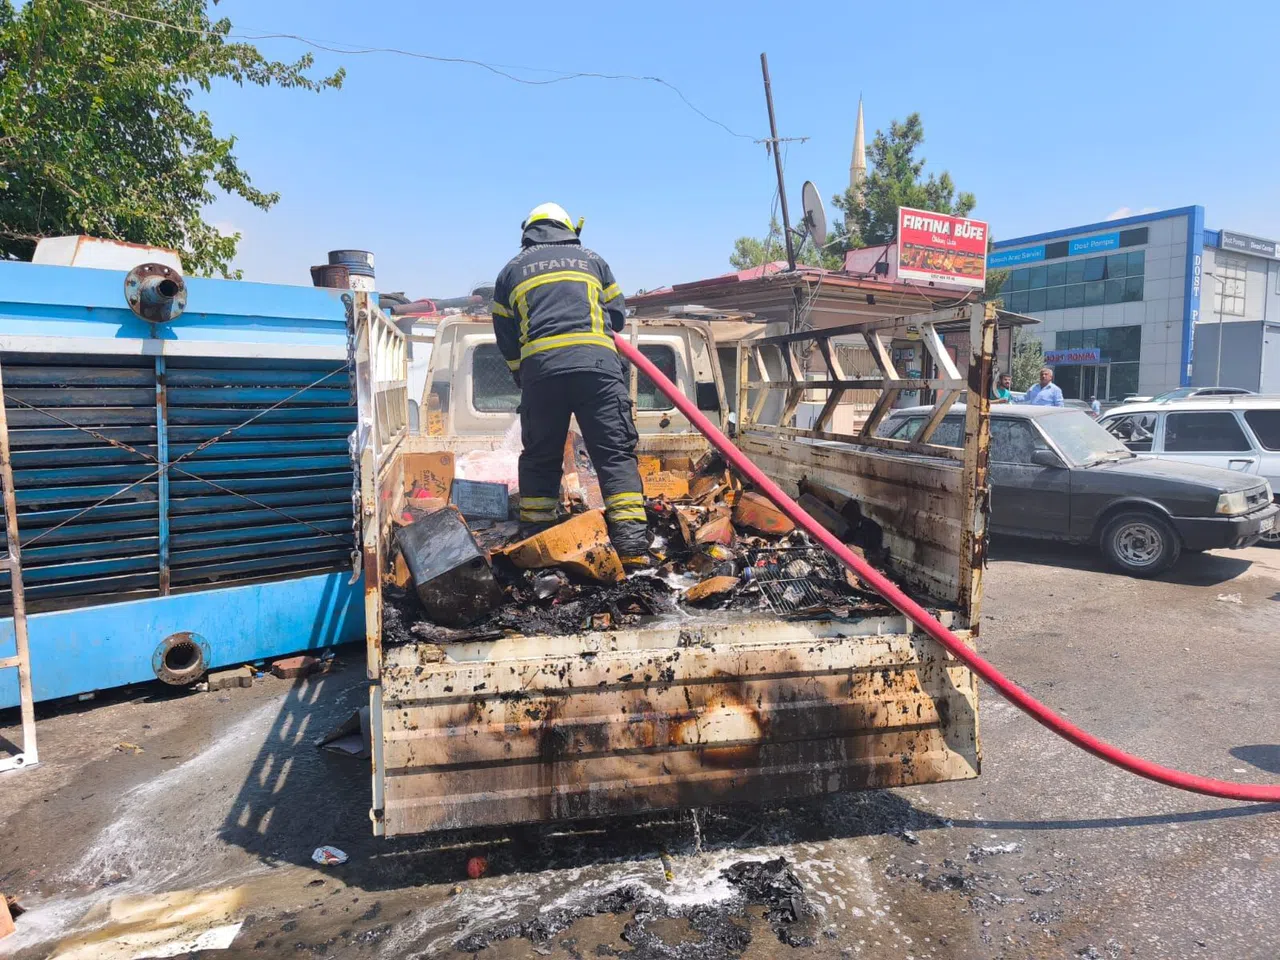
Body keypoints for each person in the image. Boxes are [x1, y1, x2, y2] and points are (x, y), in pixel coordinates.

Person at [492, 203, 650, 567]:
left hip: (542, 375)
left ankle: (537, 546)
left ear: (528, 231)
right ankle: (632, 549)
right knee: (613, 455)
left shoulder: (511, 270)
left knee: (541, 458)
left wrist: (523, 372)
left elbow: (505, 335)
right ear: (569, 228)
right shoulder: (593, 260)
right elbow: (617, 316)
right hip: (598, 370)